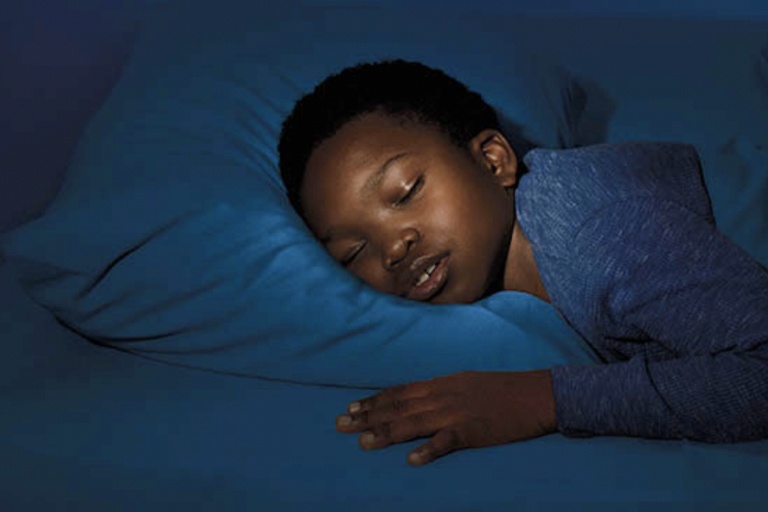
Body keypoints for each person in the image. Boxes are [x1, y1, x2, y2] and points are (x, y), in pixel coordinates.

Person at [278, 59, 768, 466]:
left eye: (406, 192)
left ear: (495, 161)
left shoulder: (594, 229)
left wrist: (544, 399)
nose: (393, 248)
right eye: (353, 252)